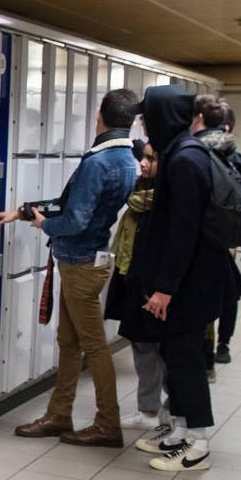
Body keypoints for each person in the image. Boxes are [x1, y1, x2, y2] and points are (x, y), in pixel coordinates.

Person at [5, 88, 139, 447]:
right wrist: (22, 212)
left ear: (100, 115)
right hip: (88, 260)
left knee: (93, 346)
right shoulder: (127, 158)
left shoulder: (98, 162)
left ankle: (107, 424)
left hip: (80, 263)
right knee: (69, 341)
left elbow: (74, 219)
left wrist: (43, 225)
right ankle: (59, 414)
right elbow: (71, 204)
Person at [121, 89, 234, 472]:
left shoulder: (185, 160)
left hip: (189, 286)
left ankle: (198, 446)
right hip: (188, 282)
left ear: (163, 116)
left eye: (146, 116)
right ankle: (181, 432)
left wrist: (165, 289)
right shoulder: (181, 153)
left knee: (186, 362)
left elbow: (182, 233)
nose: (142, 123)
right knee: (174, 355)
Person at [107, 140, 169, 431]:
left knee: (163, 351)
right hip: (132, 275)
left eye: (150, 159)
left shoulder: (168, 199)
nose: (142, 164)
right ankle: (149, 410)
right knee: (142, 346)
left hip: (156, 284)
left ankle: (171, 412)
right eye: (142, 158)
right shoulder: (139, 191)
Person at [206, 103, 241, 366]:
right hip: (217, 236)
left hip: (225, 237)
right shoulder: (204, 155)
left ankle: (222, 343)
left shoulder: (236, 162)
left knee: (226, 290)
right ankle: (215, 345)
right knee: (221, 290)